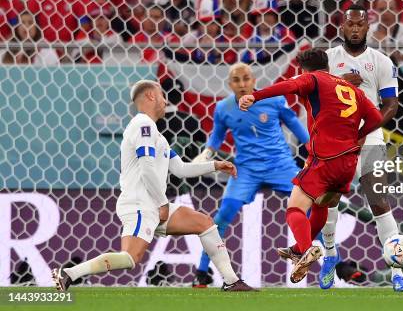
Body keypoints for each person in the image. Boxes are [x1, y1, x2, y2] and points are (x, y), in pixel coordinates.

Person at [51, 80, 255, 292]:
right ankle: (69, 274)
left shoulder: (157, 135)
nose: (166, 101)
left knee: (204, 223)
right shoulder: (143, 125)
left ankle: (232, 281)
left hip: (151, 203)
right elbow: (147, 167)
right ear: (150, 96)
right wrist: (162, 202)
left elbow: (181, 169)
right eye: (161, 95)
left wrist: (215, 165)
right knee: (130, 258)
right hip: (141, 203)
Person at [238, 49, 382, 284]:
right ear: (327, 64)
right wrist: (358, 136)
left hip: (325, 158)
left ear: (304, 69)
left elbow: (286, 87)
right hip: (348, 163)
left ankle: (306, 249)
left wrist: (255, 96)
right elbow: (376, 118)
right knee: (320, 204)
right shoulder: (352, 90)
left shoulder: (313, 79)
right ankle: (298, 249)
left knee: (294, 208)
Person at [190, 62, 309, 287]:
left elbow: (293, 123)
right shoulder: (223, 108)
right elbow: (216, 136)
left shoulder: (273, 100)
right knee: (222, 215)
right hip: (246, 170)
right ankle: (202, 272)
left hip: (281, 165)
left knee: (309, 208)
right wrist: (207, 153)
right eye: (236, 80)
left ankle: (336, 263)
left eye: (246, 79)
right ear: (230, 84)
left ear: (254, 81)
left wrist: (313, 148)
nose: (242, 84)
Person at [323, 4, 403, 292]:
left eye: (361, 24)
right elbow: (311, 95)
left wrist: (365, 130)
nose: (356, 29)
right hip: (335, 138)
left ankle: (397, 272)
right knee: (329, 200)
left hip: (370, 137)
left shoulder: (382, 62)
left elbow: (391, 105)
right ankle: (330, 254)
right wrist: (339, 82)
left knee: (379, 201)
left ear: (368, 27)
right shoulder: (327, 59)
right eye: (351, 24)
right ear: (342, 27)